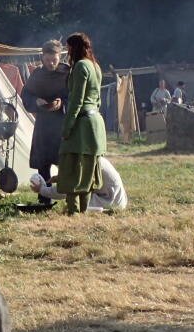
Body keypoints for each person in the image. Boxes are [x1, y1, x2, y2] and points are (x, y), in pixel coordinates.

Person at [56, 32, 106, 215]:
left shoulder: (80, 67)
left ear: (73, 48)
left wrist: (67, 127)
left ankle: (73, 211)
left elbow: (76, 101)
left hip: (82, 124)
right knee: (88, 170)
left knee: (72, 167)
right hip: (95, 124)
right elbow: (98, 100)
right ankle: (83, 210)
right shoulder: (95, 66)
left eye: (68, 47)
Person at [20, 40, 69, 208]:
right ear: (42, 57)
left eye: (54, 59)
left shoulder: (67, 74)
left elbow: (75, 97)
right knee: (43, 163)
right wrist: (36, 101)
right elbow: (26, 95)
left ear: (60, 56)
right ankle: (44, 198)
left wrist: (61, 103)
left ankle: (67, 194)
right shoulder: (37, 75)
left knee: (64, 161)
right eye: (47, 60)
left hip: (62, 123)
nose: (51, 63)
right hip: (43, 124)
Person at [31, 156, 126, 212]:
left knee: (71, 207)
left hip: (110, 201)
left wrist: (41, 190)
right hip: (118, 199)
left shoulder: (84, 164)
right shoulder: (90, 157)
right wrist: (60, 178)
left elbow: (67, 189)